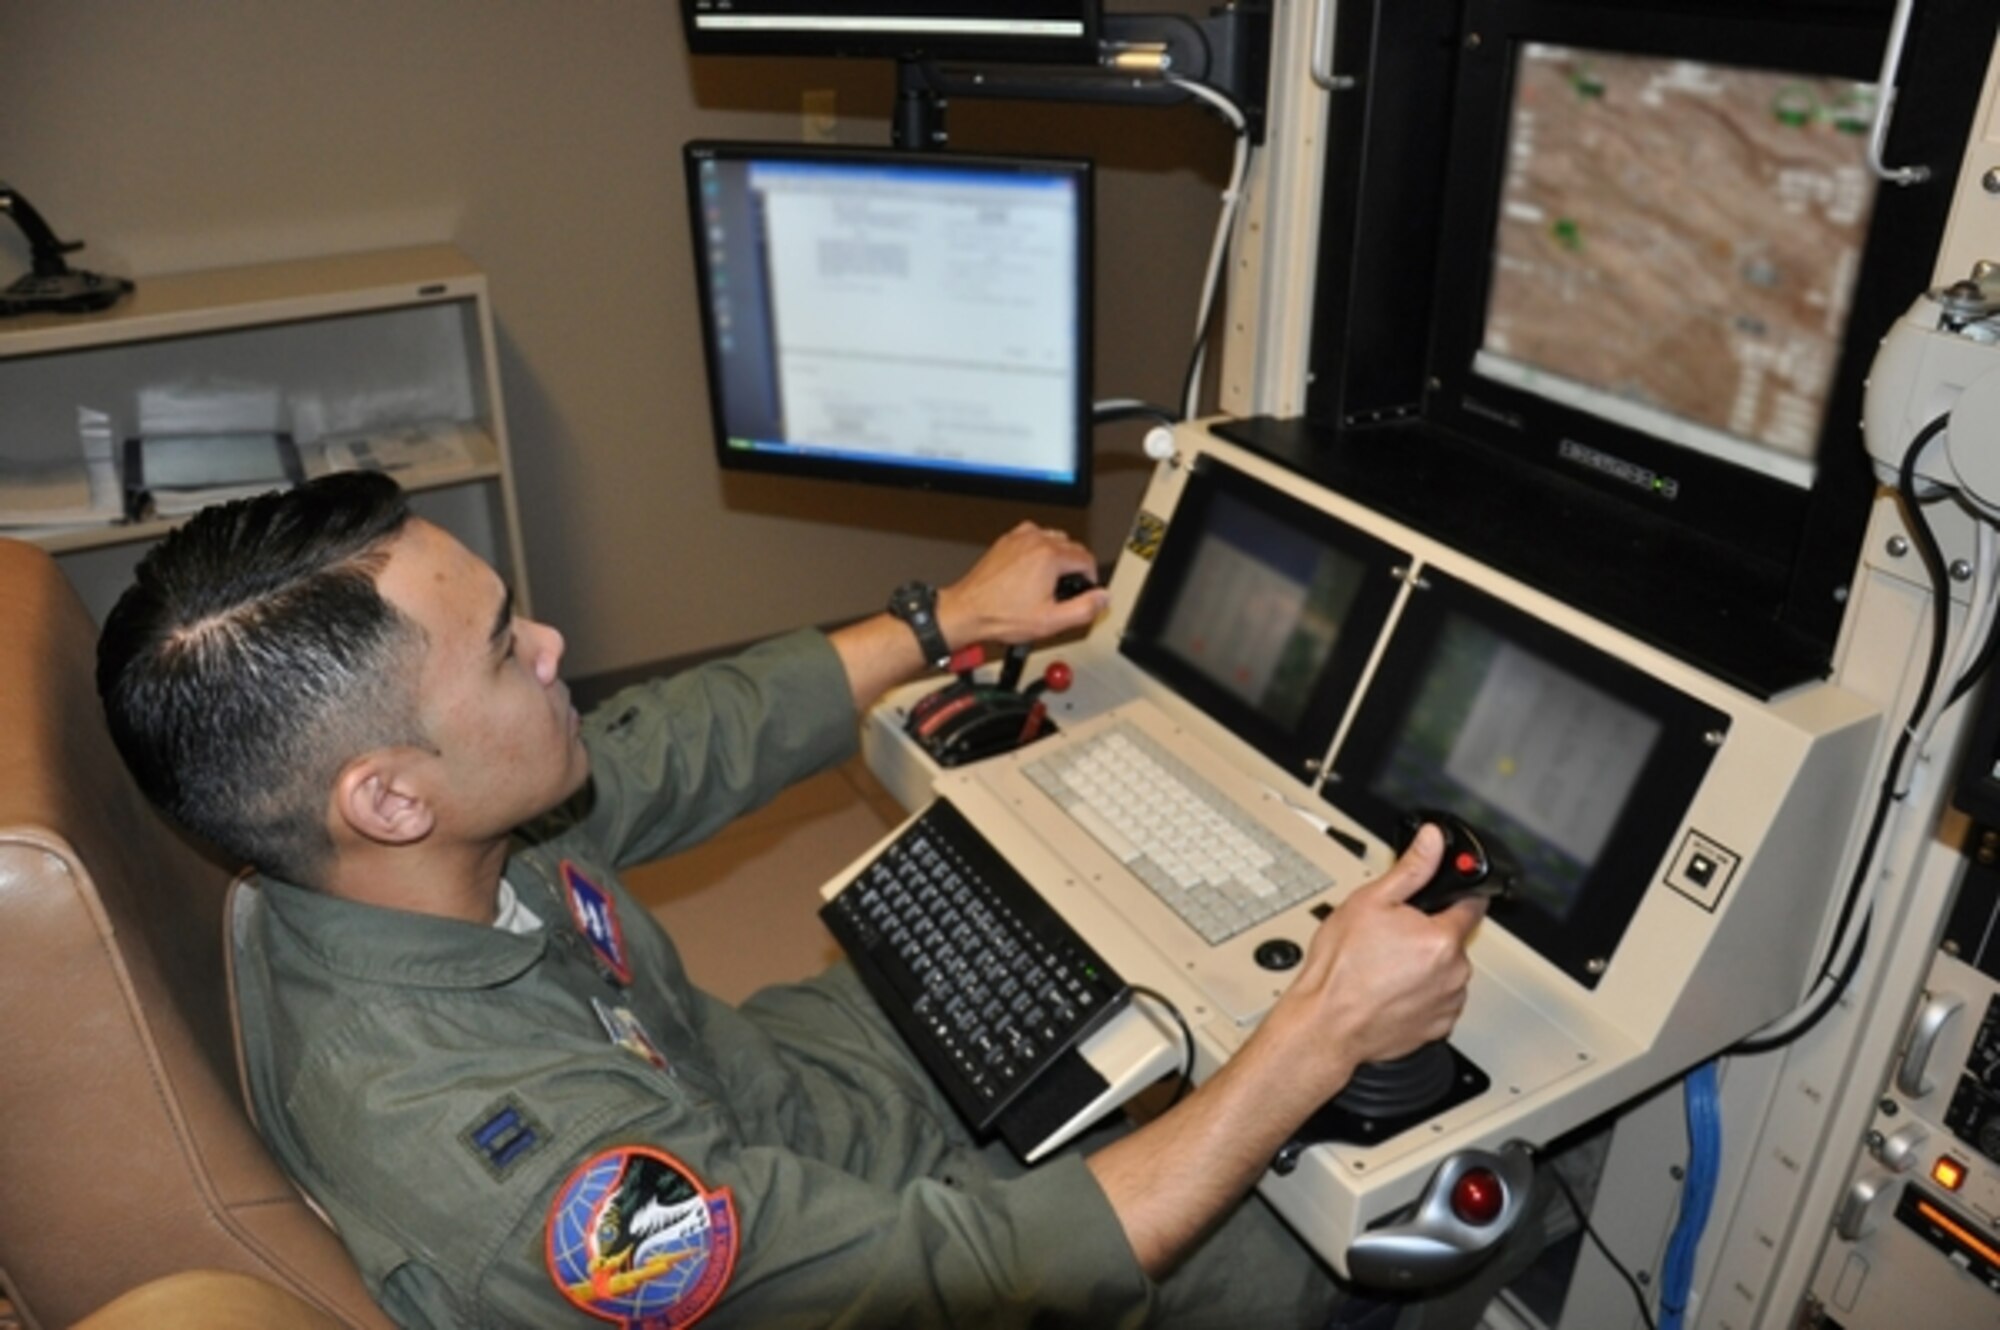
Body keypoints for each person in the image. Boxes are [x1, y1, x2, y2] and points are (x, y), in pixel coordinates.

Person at [97, 470, 1507, 1329]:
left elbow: (661, 747)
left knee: (1092, 941)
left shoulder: (375, 863)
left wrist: (938, 620)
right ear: (392, 795)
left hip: (779, 1086)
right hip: (850, 1241)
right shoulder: (537, 1192)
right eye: (500, 647)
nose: (554, 642)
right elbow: (951, 1277)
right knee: (1363, 1207)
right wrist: (1319, 1028)